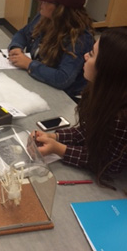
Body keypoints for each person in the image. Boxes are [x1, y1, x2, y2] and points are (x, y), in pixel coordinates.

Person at [33, 28, 127, 188]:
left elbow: (108, 163)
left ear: (106, 70)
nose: (85, 56)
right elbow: (87, 131)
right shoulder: (101, 92)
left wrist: (60, 149)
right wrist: (55, 137)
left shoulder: (121, 117)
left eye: (91, 54)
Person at [8, 0, 94, 99]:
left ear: (61, 9)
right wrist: (16, 47)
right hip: (38, 81)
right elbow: (23, 33)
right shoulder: (44, 17)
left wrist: (29, 64)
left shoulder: (80, 39)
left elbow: (62, 79)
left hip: (64, 96)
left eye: (47, 1)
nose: (41, 3)